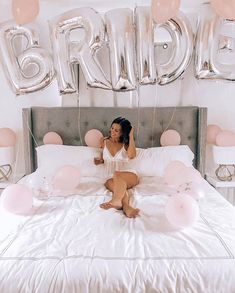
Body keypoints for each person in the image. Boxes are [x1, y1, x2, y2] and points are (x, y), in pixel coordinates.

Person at [94, 117, 139, 218]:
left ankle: (115, 200)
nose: (112, 131)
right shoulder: (103, 141)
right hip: (110, 177)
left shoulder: (126, 144)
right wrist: (100, 161)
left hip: (129, 175)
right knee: (118, 188)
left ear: (123, 133)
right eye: (112, 128)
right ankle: (127, 207)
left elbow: (131, 156)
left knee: (117, 174)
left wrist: (131, 135)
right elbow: (104, 156)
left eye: (116, 130)